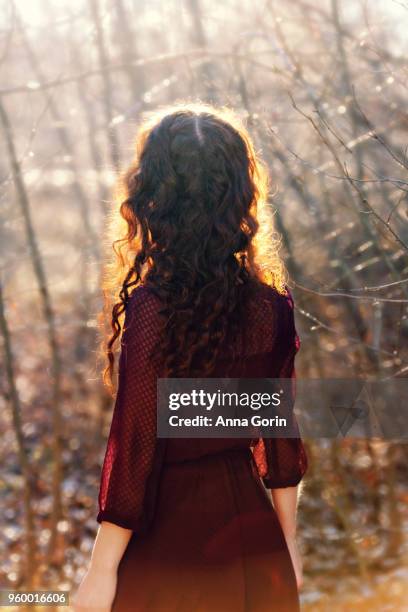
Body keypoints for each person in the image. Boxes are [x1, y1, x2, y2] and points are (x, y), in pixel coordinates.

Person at [73, 103, 308, 612]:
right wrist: (289, 544)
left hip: (170, 545)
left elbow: (135, 446)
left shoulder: (152, 309)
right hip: (254, 541)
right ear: (240, 197)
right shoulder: (272, 308)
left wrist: (101, 570)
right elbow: (280, 433)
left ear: (154, 199)